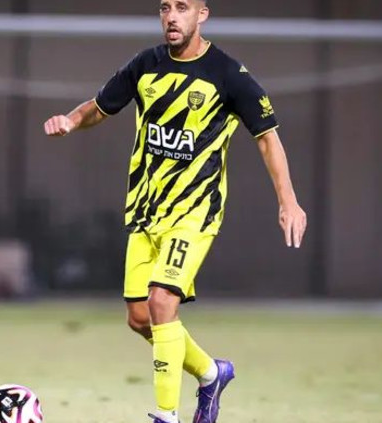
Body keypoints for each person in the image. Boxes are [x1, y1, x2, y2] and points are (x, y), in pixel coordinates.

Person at [43, 0, 307, 421]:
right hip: (145, 211)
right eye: (165, 7)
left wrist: (288, 200)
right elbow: (100, 106)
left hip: (194, 212)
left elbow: (267, 137)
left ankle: (166, 415)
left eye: (182, 7)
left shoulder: (228, 74)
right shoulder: (145, 65)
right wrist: (72, 120)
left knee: (162, 301)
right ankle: (211, 373)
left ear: (202, 14)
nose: (171, 16)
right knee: (139, 318)